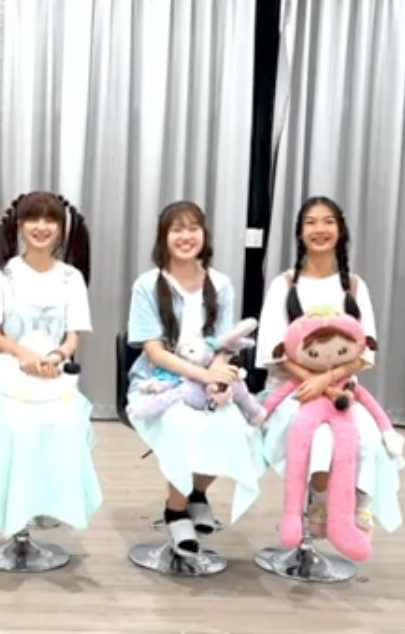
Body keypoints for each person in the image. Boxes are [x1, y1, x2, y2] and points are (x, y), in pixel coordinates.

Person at [256, 196, 405, 542]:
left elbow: (366, 350)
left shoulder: (354, 286)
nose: (319, 229)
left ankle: (355, 510)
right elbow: (273, 349)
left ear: (340, 230)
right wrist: (313, 381)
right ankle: (319, 509)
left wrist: (328, 379)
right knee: (322, 440)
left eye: (328, 221)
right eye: (310, 222)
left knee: (370, 438)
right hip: (293, 391)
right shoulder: (285, 285)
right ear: (299, 232)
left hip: (342, 392)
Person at [123, 201, 266, 557]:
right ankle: (175, 512)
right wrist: (205, 374)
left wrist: (217, 377)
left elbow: (225, 343)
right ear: (163, 237)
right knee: (183, 426)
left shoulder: (222, 285)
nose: (185, 236)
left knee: (234, 427)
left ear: (204, 235)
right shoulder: (147, 286)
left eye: (193, 228)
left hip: (208, 379)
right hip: (159, 383)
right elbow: (155, 352)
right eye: (177, 229)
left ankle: (197, 494)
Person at [0, 191, 101, 539]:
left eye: (50, 220)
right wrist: (21, 354)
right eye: (33, 219)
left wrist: (57, 356)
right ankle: (16, 512)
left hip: (53, 378)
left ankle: (45, 503)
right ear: (20, 225)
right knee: (21, 428)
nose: (41, 227)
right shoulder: (2, 278)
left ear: (61, 228)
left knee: (69, 423)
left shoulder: (71, 278)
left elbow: (73, 337)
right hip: (6, 379)